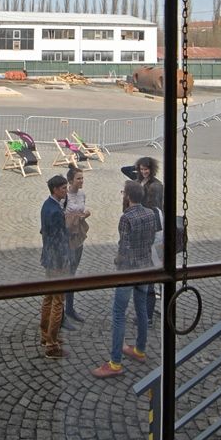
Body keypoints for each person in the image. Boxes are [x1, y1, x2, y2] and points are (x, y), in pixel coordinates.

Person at [92, 180, 156, 378]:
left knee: (119, 314)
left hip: (128, 270)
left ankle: (115, 363)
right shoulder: (151, 213)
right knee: (142, 309)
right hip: (145, 267)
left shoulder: (126, 218)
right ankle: (139, 350)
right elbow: (151, 240)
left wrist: (117, 261)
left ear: (128, 196)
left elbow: (124, 248)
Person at [121, 157, 163, 323]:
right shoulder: (139, 180)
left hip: (150, 231)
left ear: (152, 170)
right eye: (142, 169)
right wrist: (138, 168)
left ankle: (148, 316)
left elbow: (154, 207)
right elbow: (124, 169)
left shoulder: (155, 186)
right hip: (140, 228)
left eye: (147, 169)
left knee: (150, 274)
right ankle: (146, 312)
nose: (144, 172)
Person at [39, 175, 70, 359]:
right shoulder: (56, 211)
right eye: (64, 188)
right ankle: (52, 344)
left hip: (49, 258)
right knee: (58, 301)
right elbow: (60, 239)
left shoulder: (47, 205)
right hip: (57, 262)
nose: (66, 191)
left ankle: (45, 335)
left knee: (48, 297)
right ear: (56, 190)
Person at [63, 165, 90, 324]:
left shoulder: (82, 194)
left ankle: (70, 308)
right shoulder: (64, 197)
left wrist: (84, 215)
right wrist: (75, 217)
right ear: (70, 181)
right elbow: (62, 218)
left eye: (82, 178)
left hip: (78, 237)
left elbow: (82, 210)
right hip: (67, 239)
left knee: (72, 273)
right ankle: (61, 312)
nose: (81, 181)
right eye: (78, 178)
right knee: (65, 273)